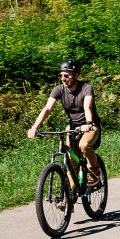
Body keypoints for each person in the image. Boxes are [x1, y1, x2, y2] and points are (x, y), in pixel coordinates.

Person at [27, 60, 102, 189]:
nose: (63, 78)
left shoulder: (86, 88)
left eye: (67, 75)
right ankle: (70, 195)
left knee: (83, 145)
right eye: (61, 75)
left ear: (76, 75)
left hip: (90, 125)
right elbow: (47, 109)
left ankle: (95, 173)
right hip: (73, 126)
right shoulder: (58, 90)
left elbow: (87, 106)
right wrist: (35, 127)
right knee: (70, 159)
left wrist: (88, 123)